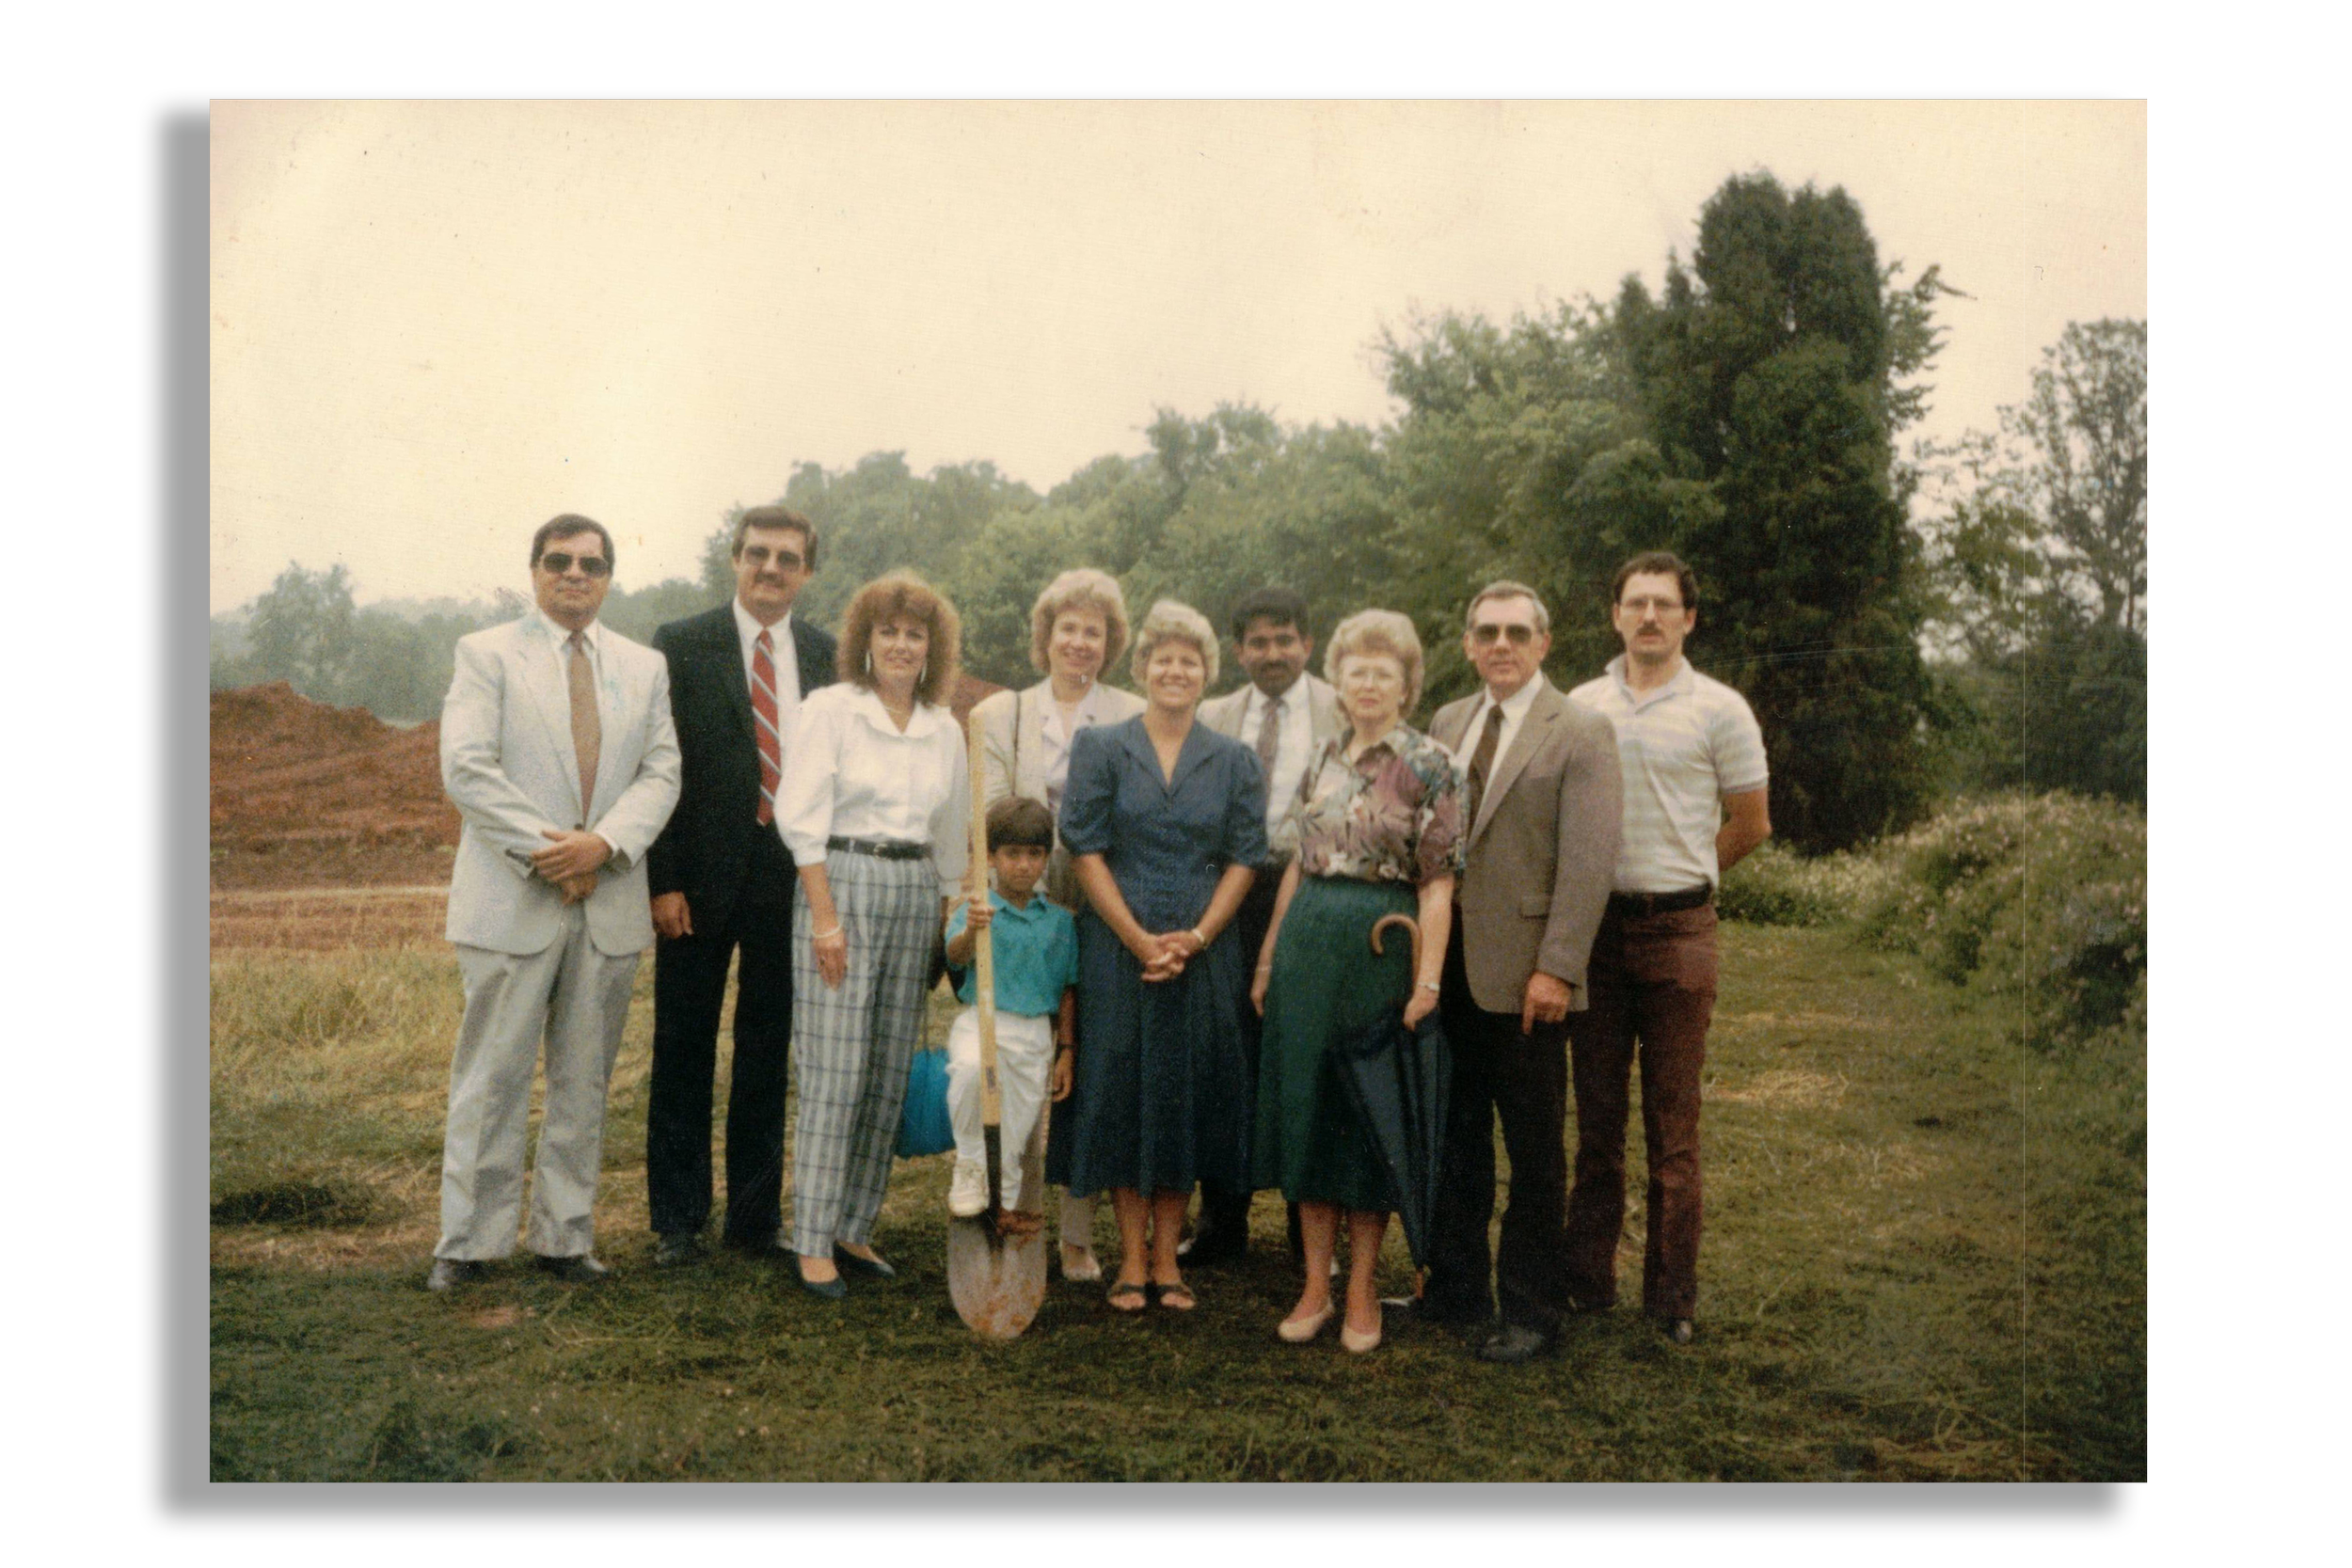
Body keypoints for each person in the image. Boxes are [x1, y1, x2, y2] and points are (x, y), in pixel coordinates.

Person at [426, 515, 681, 1291]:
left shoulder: (643, 667)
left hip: (606, 901)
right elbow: (467, 770)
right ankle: (468, 1243)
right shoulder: (486, 654)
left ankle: (566, 1237)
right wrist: (554, 853)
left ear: (610, 577)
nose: (576, 575)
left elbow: (662, 771)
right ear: (534, 569)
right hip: (512, 899)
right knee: (492, 1075)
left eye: (592, 564)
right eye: (560, 562)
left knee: (582, 1079)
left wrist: (601, 847)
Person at [1564, 551, 1770, 1346]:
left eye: (1665, 603)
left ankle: (1672, 1298)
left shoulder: (1721, 708)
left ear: (1689, 617)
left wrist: (1683, 872)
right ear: (1615, 614)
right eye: (1635, 602)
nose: (1649, 615)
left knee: (1673, 1127)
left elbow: (1751, 823)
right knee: (1599, 1121)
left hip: (1681, 933)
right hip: (1597, 935)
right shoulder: (1580, 705)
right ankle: (1586, 1280)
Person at [1418, 579, 1620, 1363]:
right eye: (1485, 632)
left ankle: (1533, 1308)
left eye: (1515, 632)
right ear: (1468, 645)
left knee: (1534, 1153)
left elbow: (1589, 861)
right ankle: (1456, 1287)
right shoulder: (1448, 721)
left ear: (1543, 643)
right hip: (1450, 969)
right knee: (1457, 1138)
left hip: (1528, 977)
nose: (1499, 644)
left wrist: (1559, 968)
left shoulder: (1580, 730)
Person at [1250, 610, 1461, 1354]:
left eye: (1384, 671)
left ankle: (1365, 1289)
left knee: (1367, 1121)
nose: (1368, 683)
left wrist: (1427, 981)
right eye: (1356, 670)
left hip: (1380, 947)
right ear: (1337, 681)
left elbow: (1438, 885)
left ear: (1406, 684)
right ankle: (1315, 1285)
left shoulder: (1433, 764)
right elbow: (1298, 866)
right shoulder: (1323, 757)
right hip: (1309, 944)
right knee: (1308, 1114)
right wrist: (1270, 954)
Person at [1054, 600, 1266, 1313]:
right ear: (1141, 667)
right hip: (1119, 948)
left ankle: (1170, 1260)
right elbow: (1083, 846)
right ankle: (1130, 1259)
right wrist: (1138, 938)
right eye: (1162, 658)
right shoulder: (1102, 746)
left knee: (1185, 1094)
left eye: (1191, 660)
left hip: (1204, 952)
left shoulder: (1234, 757)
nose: (1175, 670)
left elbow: (1244, 856)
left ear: (1208, 673)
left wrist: (1200, 937)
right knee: (1121, 1091)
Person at [644, 506, 836, 1267]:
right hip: (697, 882)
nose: (771, 568)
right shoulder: (682, 644)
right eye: (758, 553)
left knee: (767, 1049)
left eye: (788, 558)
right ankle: (678, 1221)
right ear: (734, 559)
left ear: (807, 572)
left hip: (788, 878)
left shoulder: (825, 655)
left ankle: (754, 1221)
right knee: (683, 1046)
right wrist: (663, 879)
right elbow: (657, 766)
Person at [773, 572, 971, 1299]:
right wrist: (825, 918)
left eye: (914, 634)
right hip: (842, 884)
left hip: (914, 889)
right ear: (865, 639)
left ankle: (854, 1225)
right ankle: (810, 1232)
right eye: (887, 631)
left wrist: (942, 921)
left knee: (888, 1067)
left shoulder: (943, 726)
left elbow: (950, 839)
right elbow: (803, 819)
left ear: (932, 648)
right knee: (836, 1066)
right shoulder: (831, 709)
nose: (900, 644)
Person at [970, 568, 1145, 1281]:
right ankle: (1015, 1214)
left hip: (1108, 906)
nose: (1079, 641)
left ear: (1111, 642)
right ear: (1045, 638)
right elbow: (987, 821)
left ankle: (1078, 1230)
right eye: (1067, 628)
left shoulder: (1133, 712)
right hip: (1026, 906)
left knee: (1091, 1063)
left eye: (1093, 631)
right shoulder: (1002, 714)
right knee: (1022, 1063)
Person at [1192, 586, 1343, 1266]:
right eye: (1258, 641)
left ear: (1308, 644)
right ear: (1239, 650)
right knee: (1227, 1052)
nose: (1273, 652)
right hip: (1230, 891)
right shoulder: (1213, 715)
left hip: (1312, 890)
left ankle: (1306, 1225)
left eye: (1285, 639)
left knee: (1306, 1052)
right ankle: (1222, 1220)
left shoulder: (1344, 706)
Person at [941, 797, 1079, 1229]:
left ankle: (1002, 1209)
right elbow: (956, 955)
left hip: (1034, 1035)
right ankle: (968, 1166)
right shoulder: (975, 911)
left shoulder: (1059, 923)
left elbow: (1067, 992)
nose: (1023, 865)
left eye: (1034, 854)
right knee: (966, 1072)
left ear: (1045, 859)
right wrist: (971, 931)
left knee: (1016, 1132)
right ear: (992, 858)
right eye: (1011, 854)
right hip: (983, 1022)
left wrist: (1066, 1050)